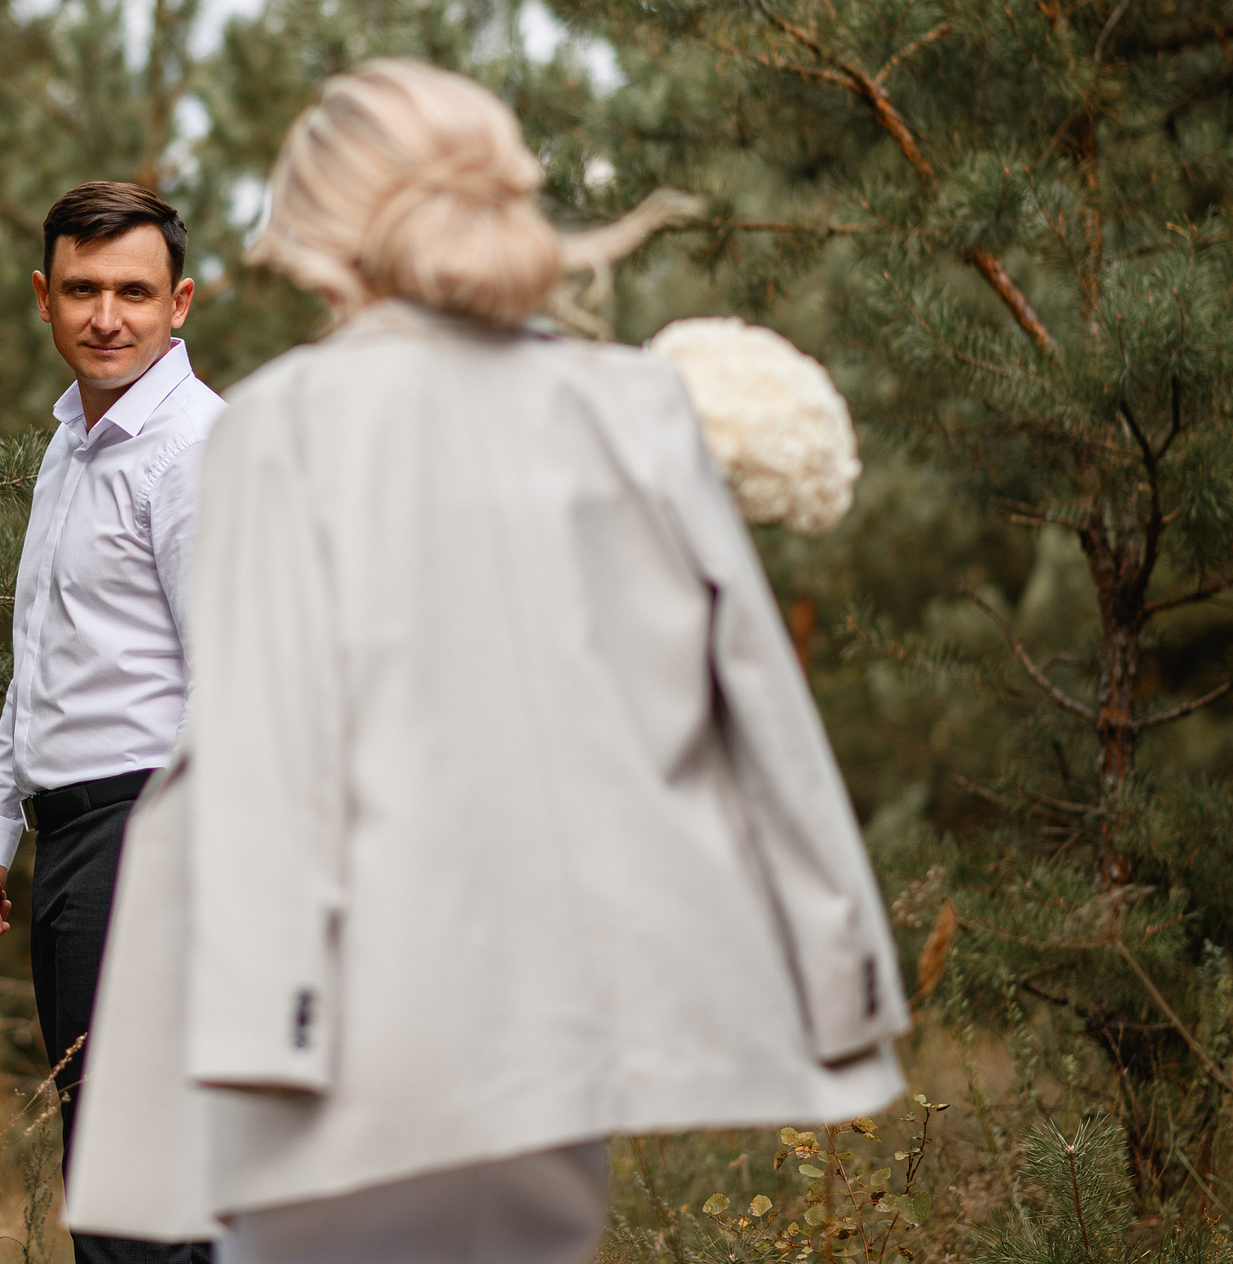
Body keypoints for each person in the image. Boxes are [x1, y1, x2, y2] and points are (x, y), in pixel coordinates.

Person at [64, 61, 909, 1264]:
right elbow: (756, 700)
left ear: (324, 233)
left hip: (356, 1034)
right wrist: (843, 984)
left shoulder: (285, 424)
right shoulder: (631, 405)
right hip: (562, 1034)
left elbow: (261, 764)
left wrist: (249, 1057)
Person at [0, 181, 223, 1264]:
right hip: (73, 840)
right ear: (43, 297)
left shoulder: (197, 449)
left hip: (150, 831)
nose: (106, 315)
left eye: (133, 291)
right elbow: (41, 653)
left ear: (180, 303)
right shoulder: (70, 441)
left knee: (132, 1189)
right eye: (81, 290)